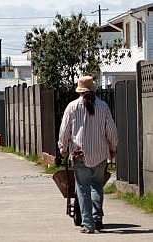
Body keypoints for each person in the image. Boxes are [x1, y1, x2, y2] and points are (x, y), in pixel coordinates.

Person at [58, 76, 117, 234]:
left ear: (80, 90)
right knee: (97, 185)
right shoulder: (103, 106)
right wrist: (113, 147)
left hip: (80, 154)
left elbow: (64, 131)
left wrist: (63, 148)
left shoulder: (72, 107)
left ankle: (88, 224)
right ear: (93, 89)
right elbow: (111, 130)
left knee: (83, 188)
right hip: (100, 154)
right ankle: (98, 219)